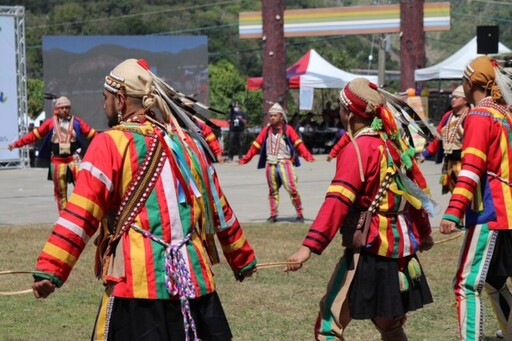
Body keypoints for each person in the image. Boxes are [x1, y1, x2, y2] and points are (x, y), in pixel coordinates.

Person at [31, 58, 257, 340]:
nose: (105, 105)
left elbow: (81, 213)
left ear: (121, 99)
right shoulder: (188, 145)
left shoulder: (108, 144)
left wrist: (51, 269)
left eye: (106, 99)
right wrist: (242, 258)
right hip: (195, 287)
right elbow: (218, 209)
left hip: (137, 288)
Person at [286, 78, 434, 341]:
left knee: (329, 322)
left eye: (340, 109)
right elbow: (415, 195)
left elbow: (337, 201)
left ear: (349, 113)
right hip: (399, 252)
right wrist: (423, 233)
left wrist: (308, 246)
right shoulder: (392, 146)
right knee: (390, 324)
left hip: (369, 248)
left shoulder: (358, 149)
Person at [439, 56, 512, 341]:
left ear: (470, 83)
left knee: (466, 286)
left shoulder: (480, 116)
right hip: (506, 212)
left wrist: (452, 212)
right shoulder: (504, 114)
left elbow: (471, 170)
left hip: (489, 212)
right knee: (494, 280)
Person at [8, 96, 96, 211]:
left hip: (74, 160)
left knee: (83, 189)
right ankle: (64, 218)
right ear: (57, 109)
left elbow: (93, 135)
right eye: (62, 108)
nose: (65, 110)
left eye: (67, 108)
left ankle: (81, 215)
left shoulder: (77, 122)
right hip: (57, 161)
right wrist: (16, 144)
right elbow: (33, 136)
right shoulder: (49, 123)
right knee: (60, 194)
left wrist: (108, 142)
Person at [239, 103, 315, 223]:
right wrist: (245, 159)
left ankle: (300, 214)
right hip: (270, 164)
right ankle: (273, 215)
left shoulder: (288, 130)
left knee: (292, 189)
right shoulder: (266, 131)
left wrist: (307, 156)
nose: (272, 118)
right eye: (270, 116)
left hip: (285, 163)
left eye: (275, 115)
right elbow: (256, 145)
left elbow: (298, 144)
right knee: (272, 191)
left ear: (281, 117)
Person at [418, 85, 471, 194]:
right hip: (449, 162)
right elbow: (437, 137)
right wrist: (426, 154)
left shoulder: (470, 115)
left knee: (465, 194)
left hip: (464, 162)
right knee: (454, 193)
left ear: (465, 100)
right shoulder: (447, 116)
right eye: (453, 97)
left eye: (457, 97)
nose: (453, 99)